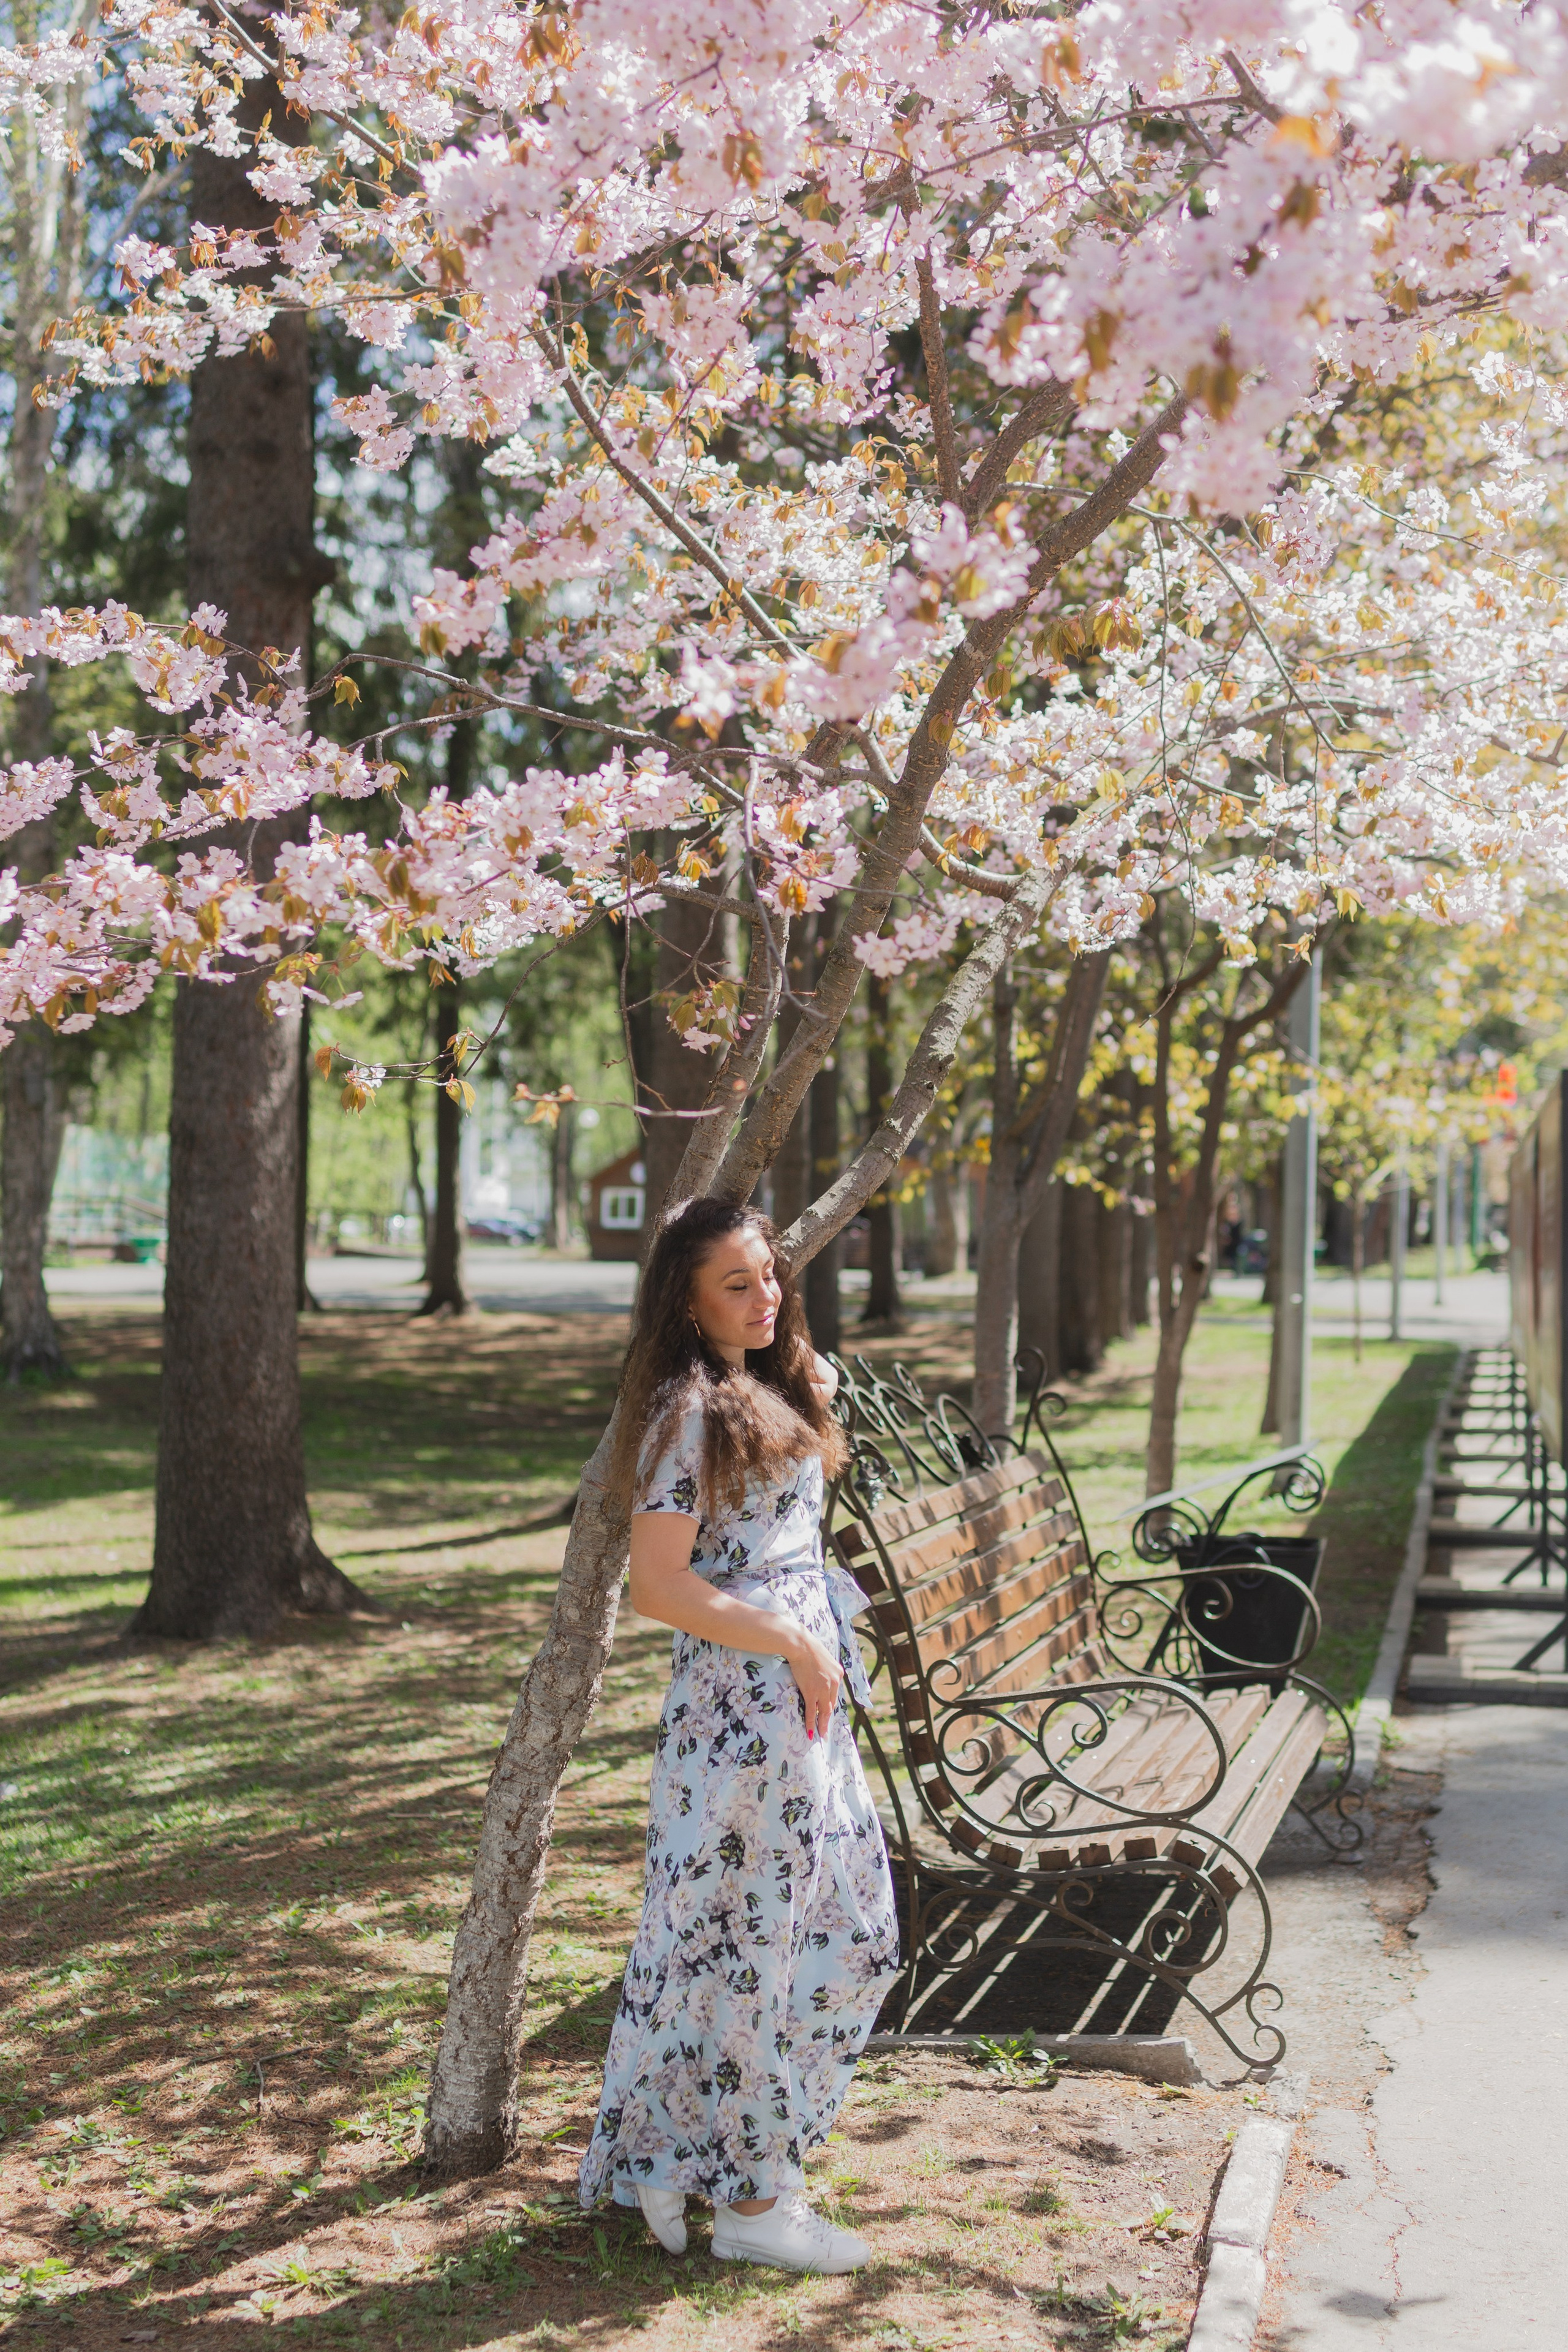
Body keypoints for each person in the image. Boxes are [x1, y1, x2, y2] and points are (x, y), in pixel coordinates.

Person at [578, 1196, 899, 2273]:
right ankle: (757, 2201)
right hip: (746, 1707)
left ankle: (683, 2151)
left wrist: (804, 1386)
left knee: (844, 1933)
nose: (765, 1296)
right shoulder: (683, 1412)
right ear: (685, 1297)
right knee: (752, 1945)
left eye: (769, 1275)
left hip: (793, 1698)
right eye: (737, 1283)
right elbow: (660, 1588)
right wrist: (795, 1646)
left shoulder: (764, 1379)